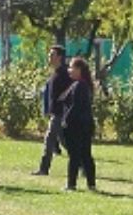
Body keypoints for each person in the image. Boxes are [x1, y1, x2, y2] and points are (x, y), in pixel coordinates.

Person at [58, 56, 97, 191]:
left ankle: (71, 184)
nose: (69, 70)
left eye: (71, 67)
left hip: (76, 126)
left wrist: (65, 120)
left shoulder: (79, 86)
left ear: (79, 69)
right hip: (85, 125)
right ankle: (91, 184)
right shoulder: (83, 85)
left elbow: (75, 106)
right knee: (86, 155)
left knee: (74, 156)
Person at [32, 45, 72, 176]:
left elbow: (73, 89)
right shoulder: (55, 73)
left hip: (61, 113)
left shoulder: (64, 73)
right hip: (56, 112)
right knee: (66, 142)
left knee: (49, 140)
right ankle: (83, 164)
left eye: (52, 55)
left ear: (59, 57)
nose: (49, 57)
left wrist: (64, 97)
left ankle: (44, 169)